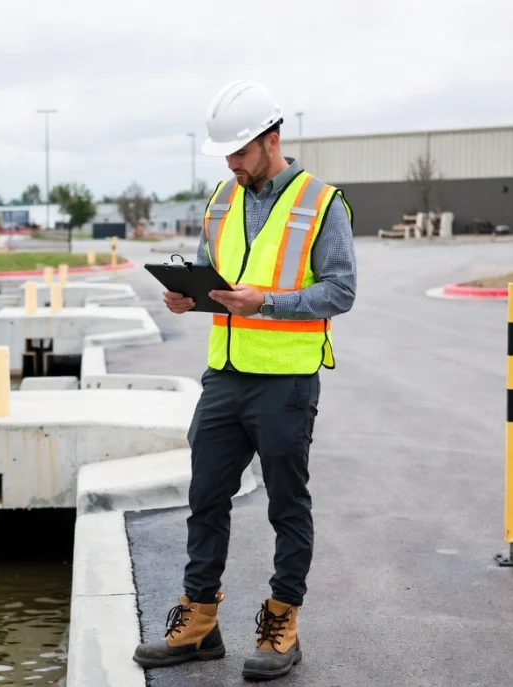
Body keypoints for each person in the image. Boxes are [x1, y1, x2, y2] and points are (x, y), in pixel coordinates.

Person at [132, 80, 357, 681]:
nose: (232, 165)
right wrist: (189, 298)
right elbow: (220, 281)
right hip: (225, 376)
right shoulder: (221, 200)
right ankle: (200, 622)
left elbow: (341, 291)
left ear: (272, 141)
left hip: (285, 381)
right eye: (226, 156)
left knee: (287, 505)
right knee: (205, 496)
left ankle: (282, 622)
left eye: (241, 153)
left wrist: (268, 304)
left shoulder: (321, 202)